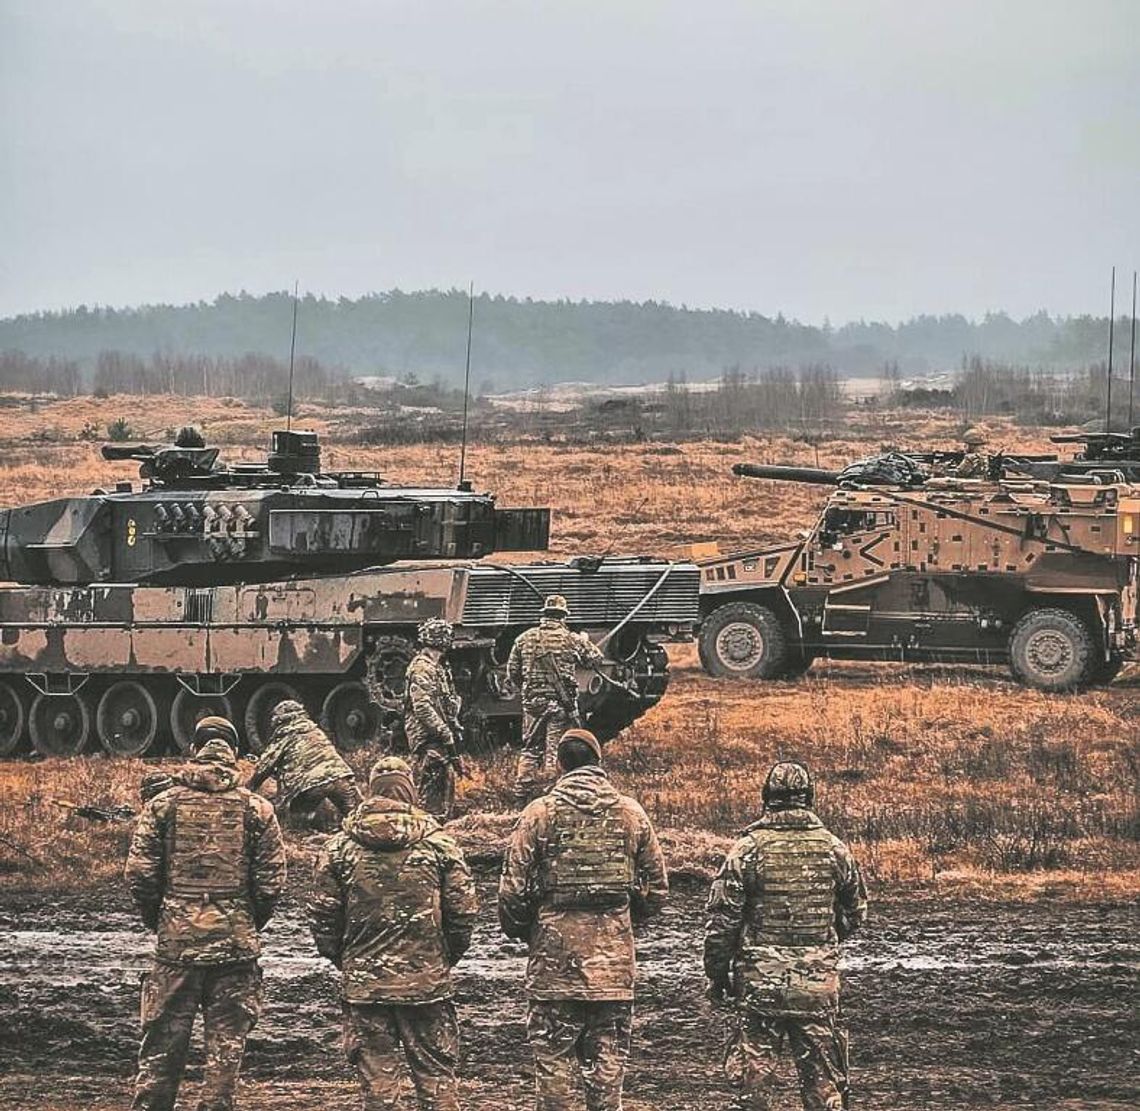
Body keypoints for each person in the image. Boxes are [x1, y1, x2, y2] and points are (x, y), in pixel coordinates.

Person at [499, 728, 668, 1111]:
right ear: (598, 763)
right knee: (608, 1070)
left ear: (560, 765)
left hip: (554, 962)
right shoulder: (631, 813)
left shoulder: (538, 814)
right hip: (612, 966)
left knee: (554, 1067)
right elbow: (657, 890)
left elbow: (511, 892)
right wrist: (622, 922)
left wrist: (531, 930)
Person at [124, 731, 287, 1111]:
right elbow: (271, 884)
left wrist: (162, 921)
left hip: (176, 948)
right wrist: (245, 922)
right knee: (224, 1058)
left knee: (161, 1052)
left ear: (193, 752)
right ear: (233, 756)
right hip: (234, 949)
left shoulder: (162, 806)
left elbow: (140, 875)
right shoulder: (258, 810)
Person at [308, 756, 478, 1111]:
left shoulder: (339, 848)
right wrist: (441, 958)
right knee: (437, 1081)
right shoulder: (440, 844)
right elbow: (463, 914)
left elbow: (323, 916)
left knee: (379, 1087)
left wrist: (347, 961)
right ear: (409, 790)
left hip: (366, 986)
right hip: (426, 984)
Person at [703, 761, 867, 1111]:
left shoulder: (747, 850)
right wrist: (820, 947)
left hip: (761, 985)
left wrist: (718, 975)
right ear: (810, 798)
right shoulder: (834, 849)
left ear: (767, 798)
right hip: (817, 987)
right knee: (825, 1090)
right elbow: (855, 912)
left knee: (755, 1090)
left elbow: (723, 922)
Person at [507, 595, 605, 806]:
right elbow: (596, 659)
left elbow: (513, 672)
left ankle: (521, 795)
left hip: (533, 703)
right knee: (555, 750)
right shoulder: (572, 639)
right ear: (563, 616)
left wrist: (528, 688)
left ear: (544, 615)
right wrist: (585, 641)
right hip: (561, 704)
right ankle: (551, 795)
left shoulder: (524, 638)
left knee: (530, 749)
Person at [247, 700, 361, 828]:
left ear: (278, 719)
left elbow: (265, 766)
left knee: (297, 823)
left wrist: (248, 788)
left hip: (311, 785)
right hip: (342, 778)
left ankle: (306, 833)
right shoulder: (315, 730)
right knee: (357, 819)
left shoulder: (285, 734)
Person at [404, 618, 464, 822]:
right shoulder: (423, 668)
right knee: (431, 787)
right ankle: (428, 824)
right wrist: (444, 732)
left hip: (436, 734)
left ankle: (439, 822)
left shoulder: (436, 667)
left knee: (444, 783)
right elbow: (422, 708)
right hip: (427, 736)